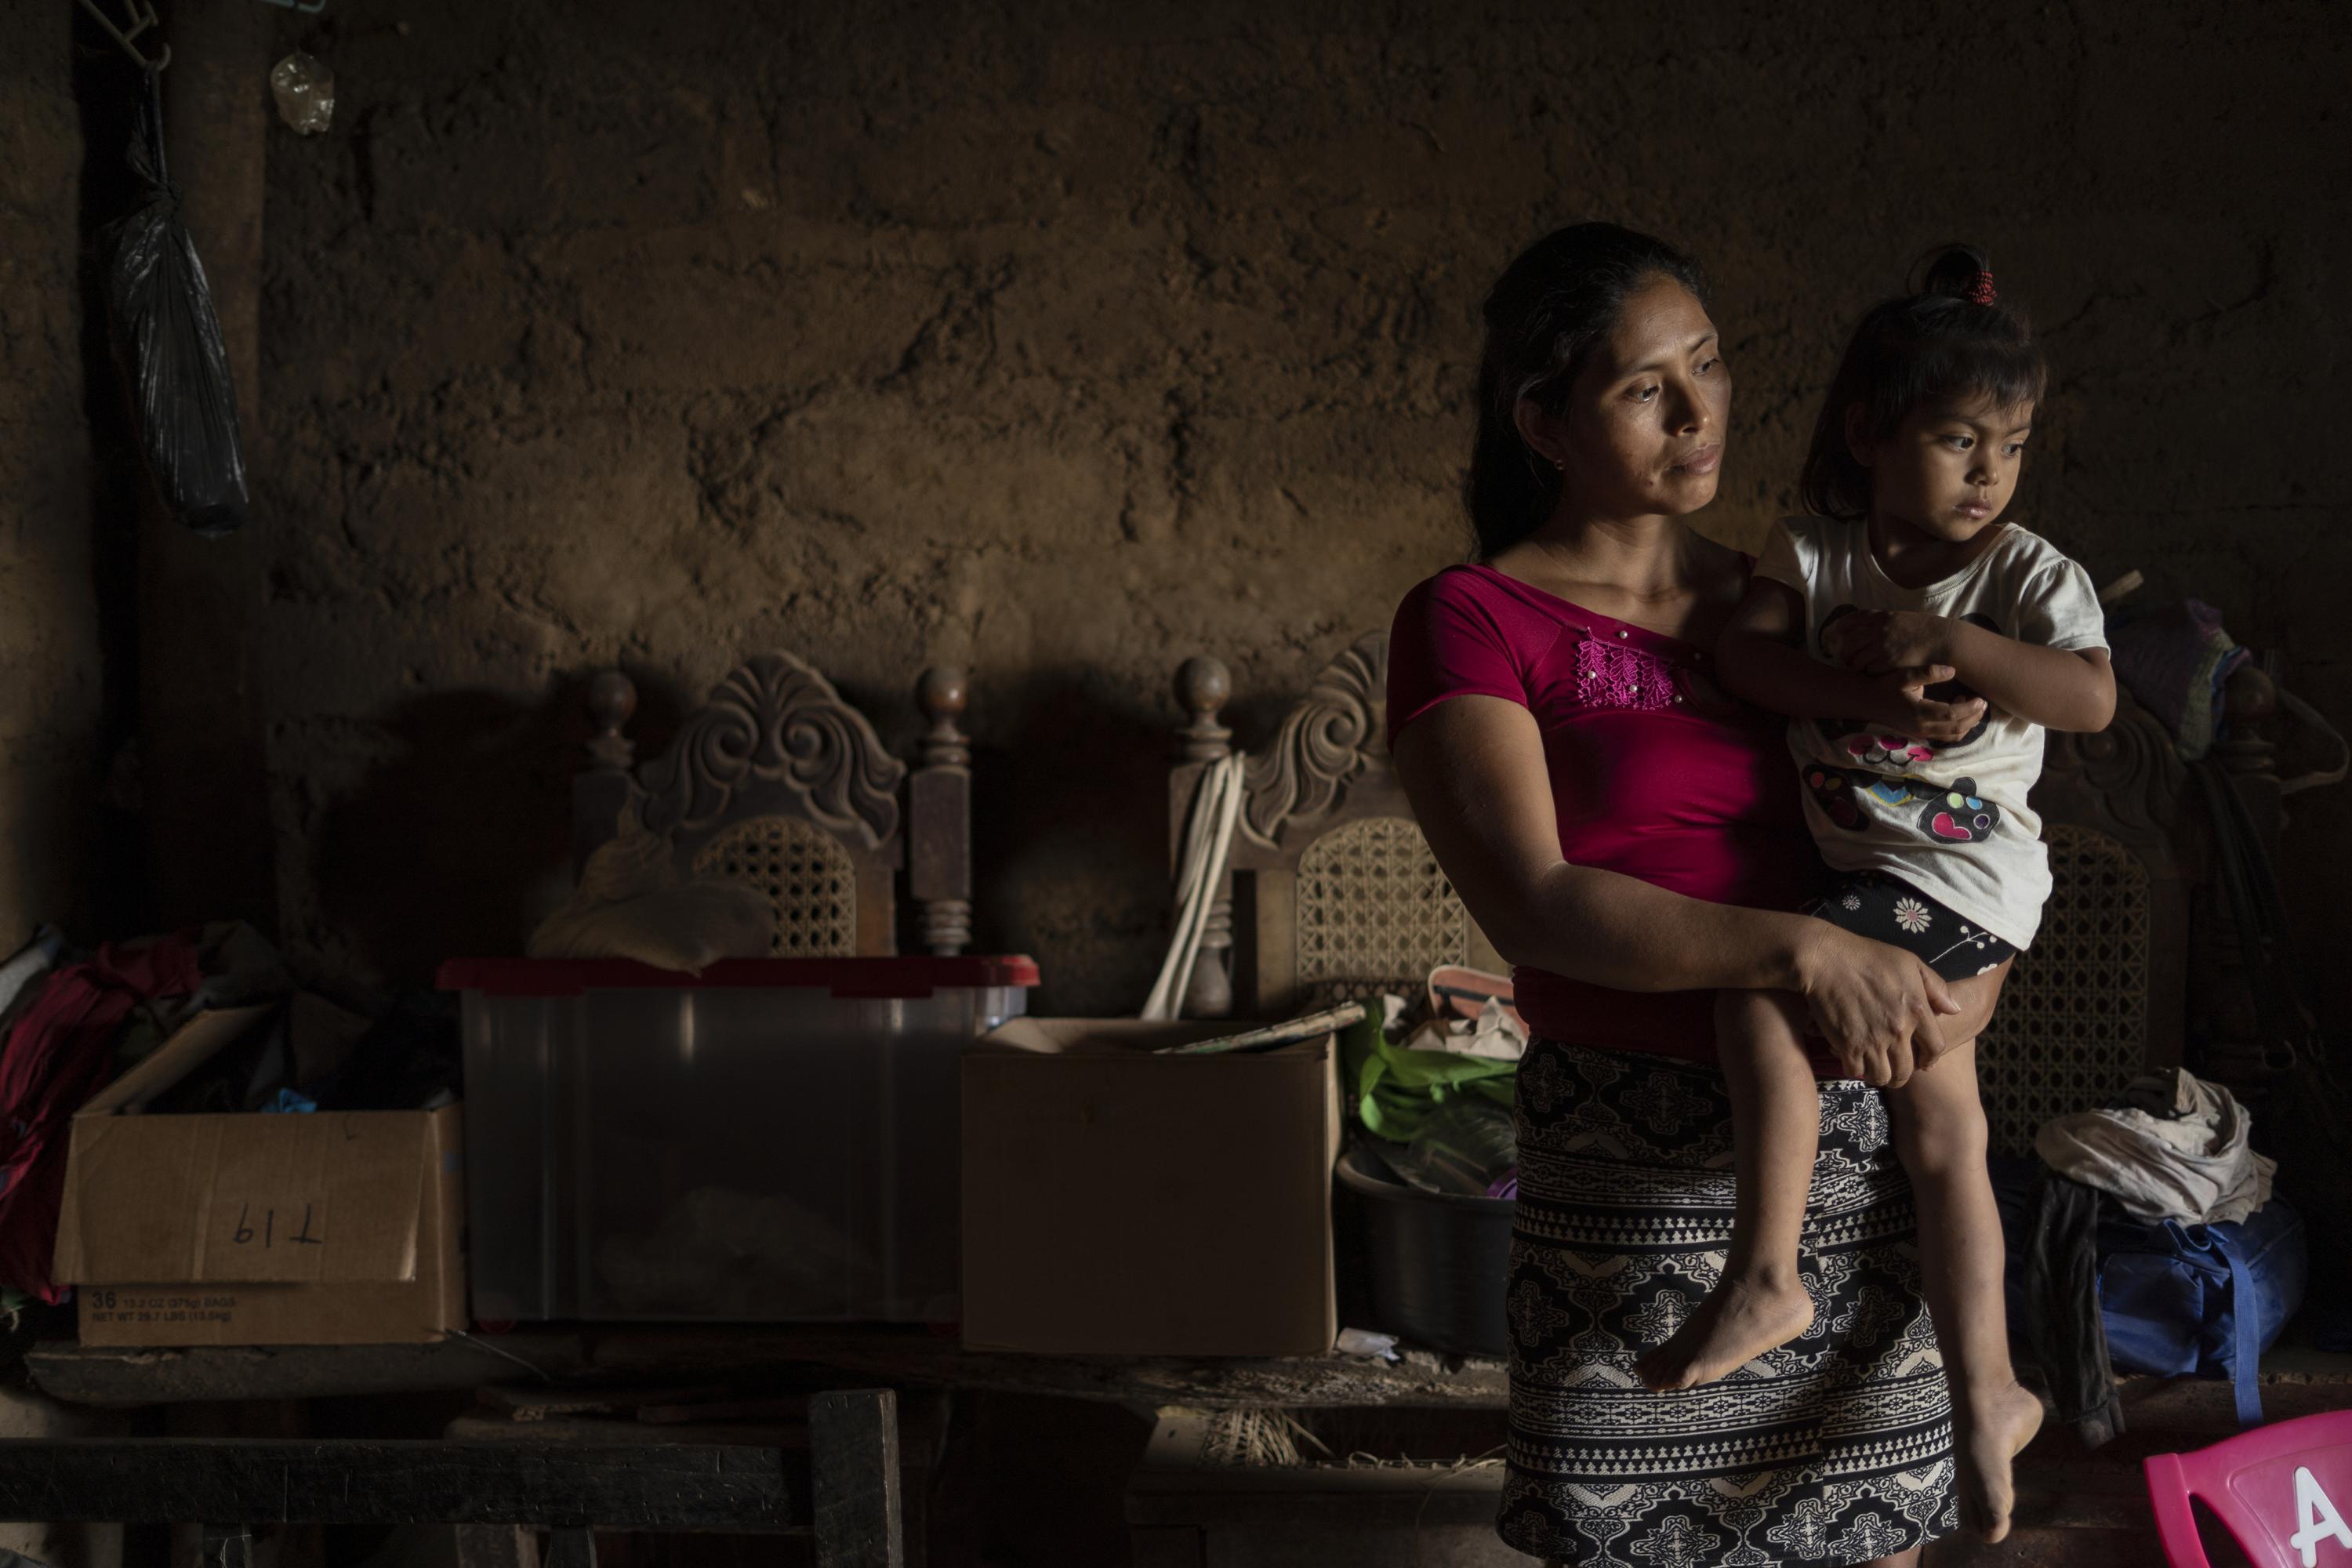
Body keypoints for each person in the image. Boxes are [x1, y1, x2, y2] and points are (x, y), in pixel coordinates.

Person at [1389, 223, 2009, 1566]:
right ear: (1544, 422)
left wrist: (1967, 980)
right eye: (1644, 388)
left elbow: (1949, 832)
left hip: (1846, 1150)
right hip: (1620, 1180)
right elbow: (1537, 905)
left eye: (1712, 366)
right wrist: (1797, 955)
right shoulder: (1473, 618)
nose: (1700, 411)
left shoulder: (1793, 599)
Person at [1635, 245, 2108, 1534]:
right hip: (1874, 878)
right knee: (1946, 1140)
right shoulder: (1815, 552)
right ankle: (1990, 1394)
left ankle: (1768, 1273)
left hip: (1962, 880)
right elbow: (1746, 663)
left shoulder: (2022, 575)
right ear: (1868, 432)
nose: (1988, 473)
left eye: (2010, 444)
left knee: (1761, 997)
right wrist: (1867, 693)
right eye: (1959, 440)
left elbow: (2092, 697)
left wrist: (1959, 644)